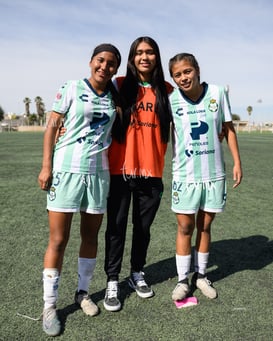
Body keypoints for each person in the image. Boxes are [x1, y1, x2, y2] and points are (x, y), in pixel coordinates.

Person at [37, 43, 121, 336]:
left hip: (98, 176)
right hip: (66, 172)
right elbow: (52, 127)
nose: (105, 67)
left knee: (90, 236)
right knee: (58, 240)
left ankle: (82, 293)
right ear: (91, 62)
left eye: (111, 64)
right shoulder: (71, 88)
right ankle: (49, 306)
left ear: (116, 69)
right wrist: (46, 166)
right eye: (101, 60)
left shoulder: (115, 96)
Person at [103, 36, 173, 312]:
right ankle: (112, 280)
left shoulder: (167, 90)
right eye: (139, 52)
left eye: (150, 52)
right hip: (120, 169)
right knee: (116, 228)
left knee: (142, 229)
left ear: (157, 57)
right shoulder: (118, 85)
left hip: (152, 172)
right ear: (132, 58)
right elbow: (94, 107)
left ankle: (136, 273)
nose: (144, 57)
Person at [168, 53, 242, 301]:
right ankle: (182, 280)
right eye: (177, 75)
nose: (183, 78)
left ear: (197, 70)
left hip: (213, 173)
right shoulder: (170, 100)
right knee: (185, 226)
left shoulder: (218, 93)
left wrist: (237, 162)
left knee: (205, 226)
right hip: (184, 174)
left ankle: (200, 276)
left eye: (187, 71)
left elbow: (228, 130)